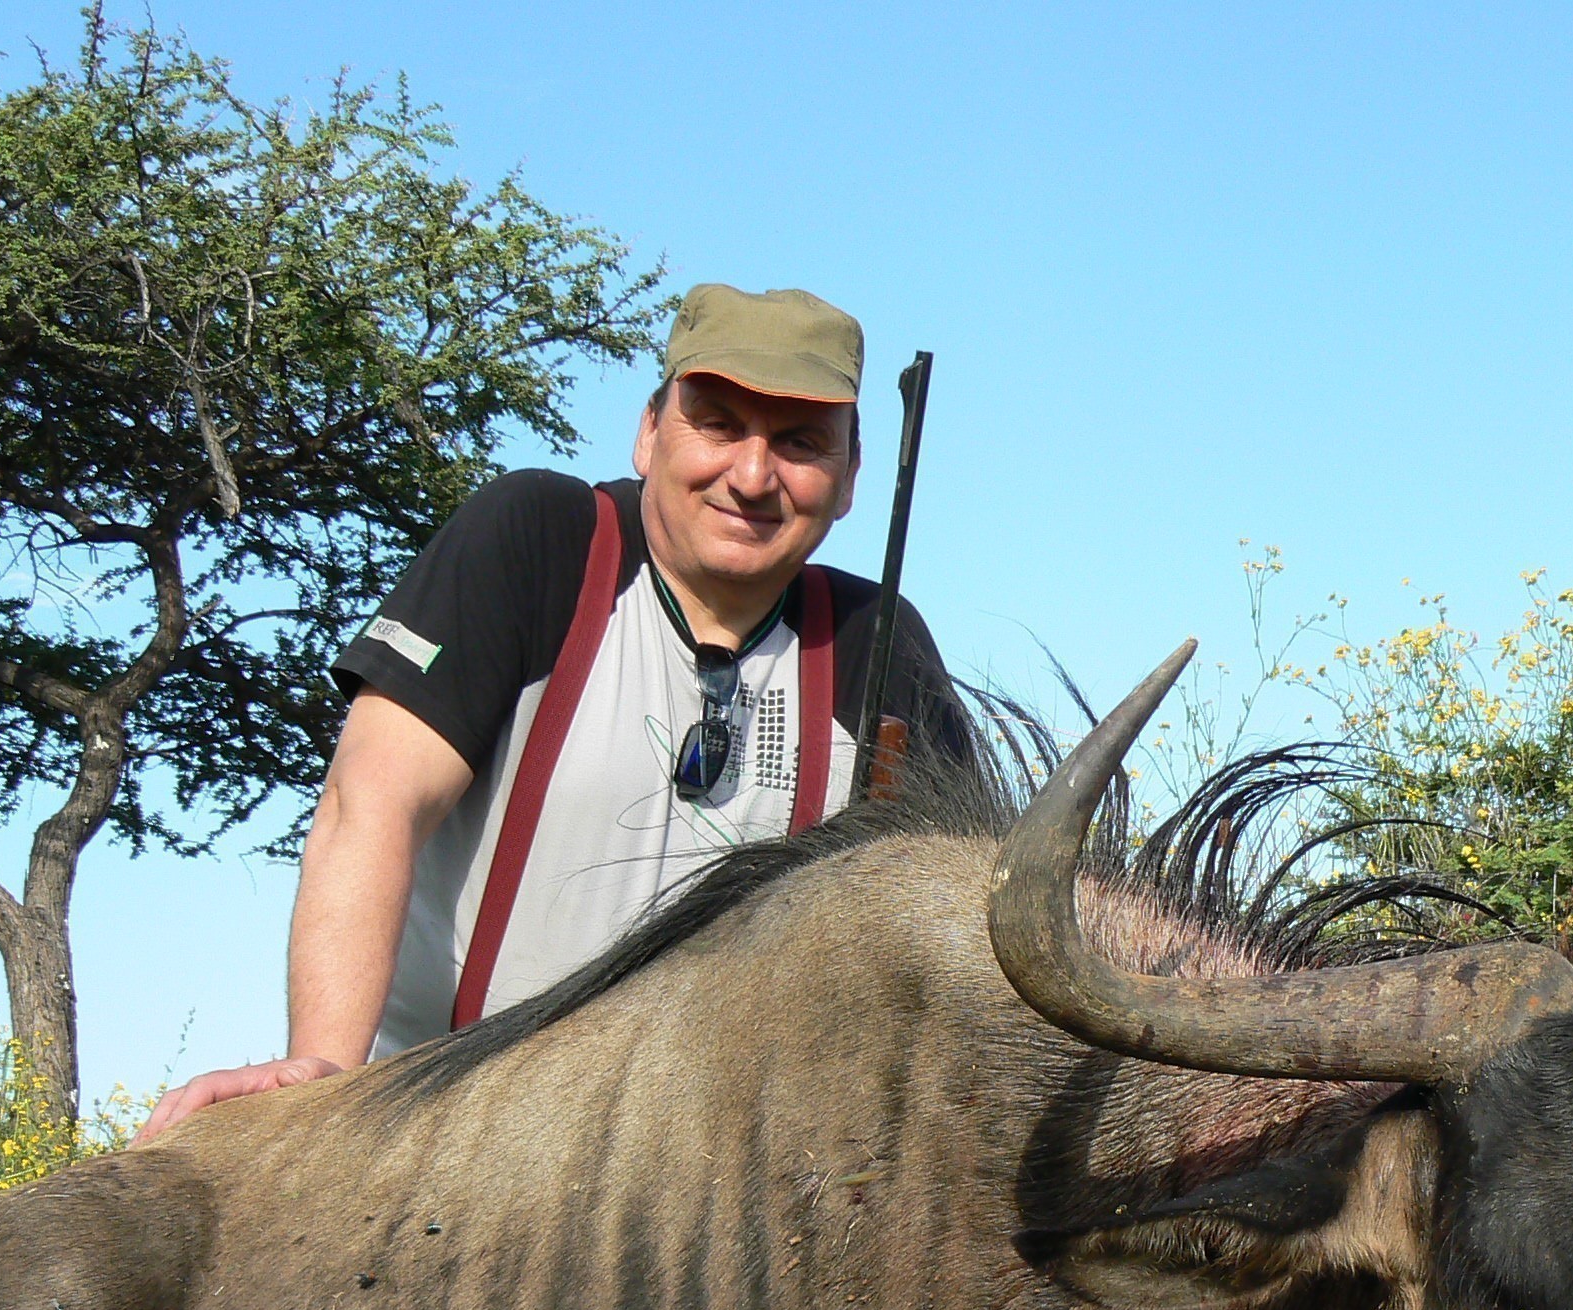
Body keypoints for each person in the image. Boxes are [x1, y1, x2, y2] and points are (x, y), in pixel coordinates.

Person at [139, 284, 964, 1139]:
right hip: (444, 1134)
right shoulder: (536, 539)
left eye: (799, 444)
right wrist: (322, 1070)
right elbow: (370, 800)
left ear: (851, 478)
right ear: (649, 433)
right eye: (718, 424)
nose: (753, 477)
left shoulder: (884, 643)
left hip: (714, 1182)